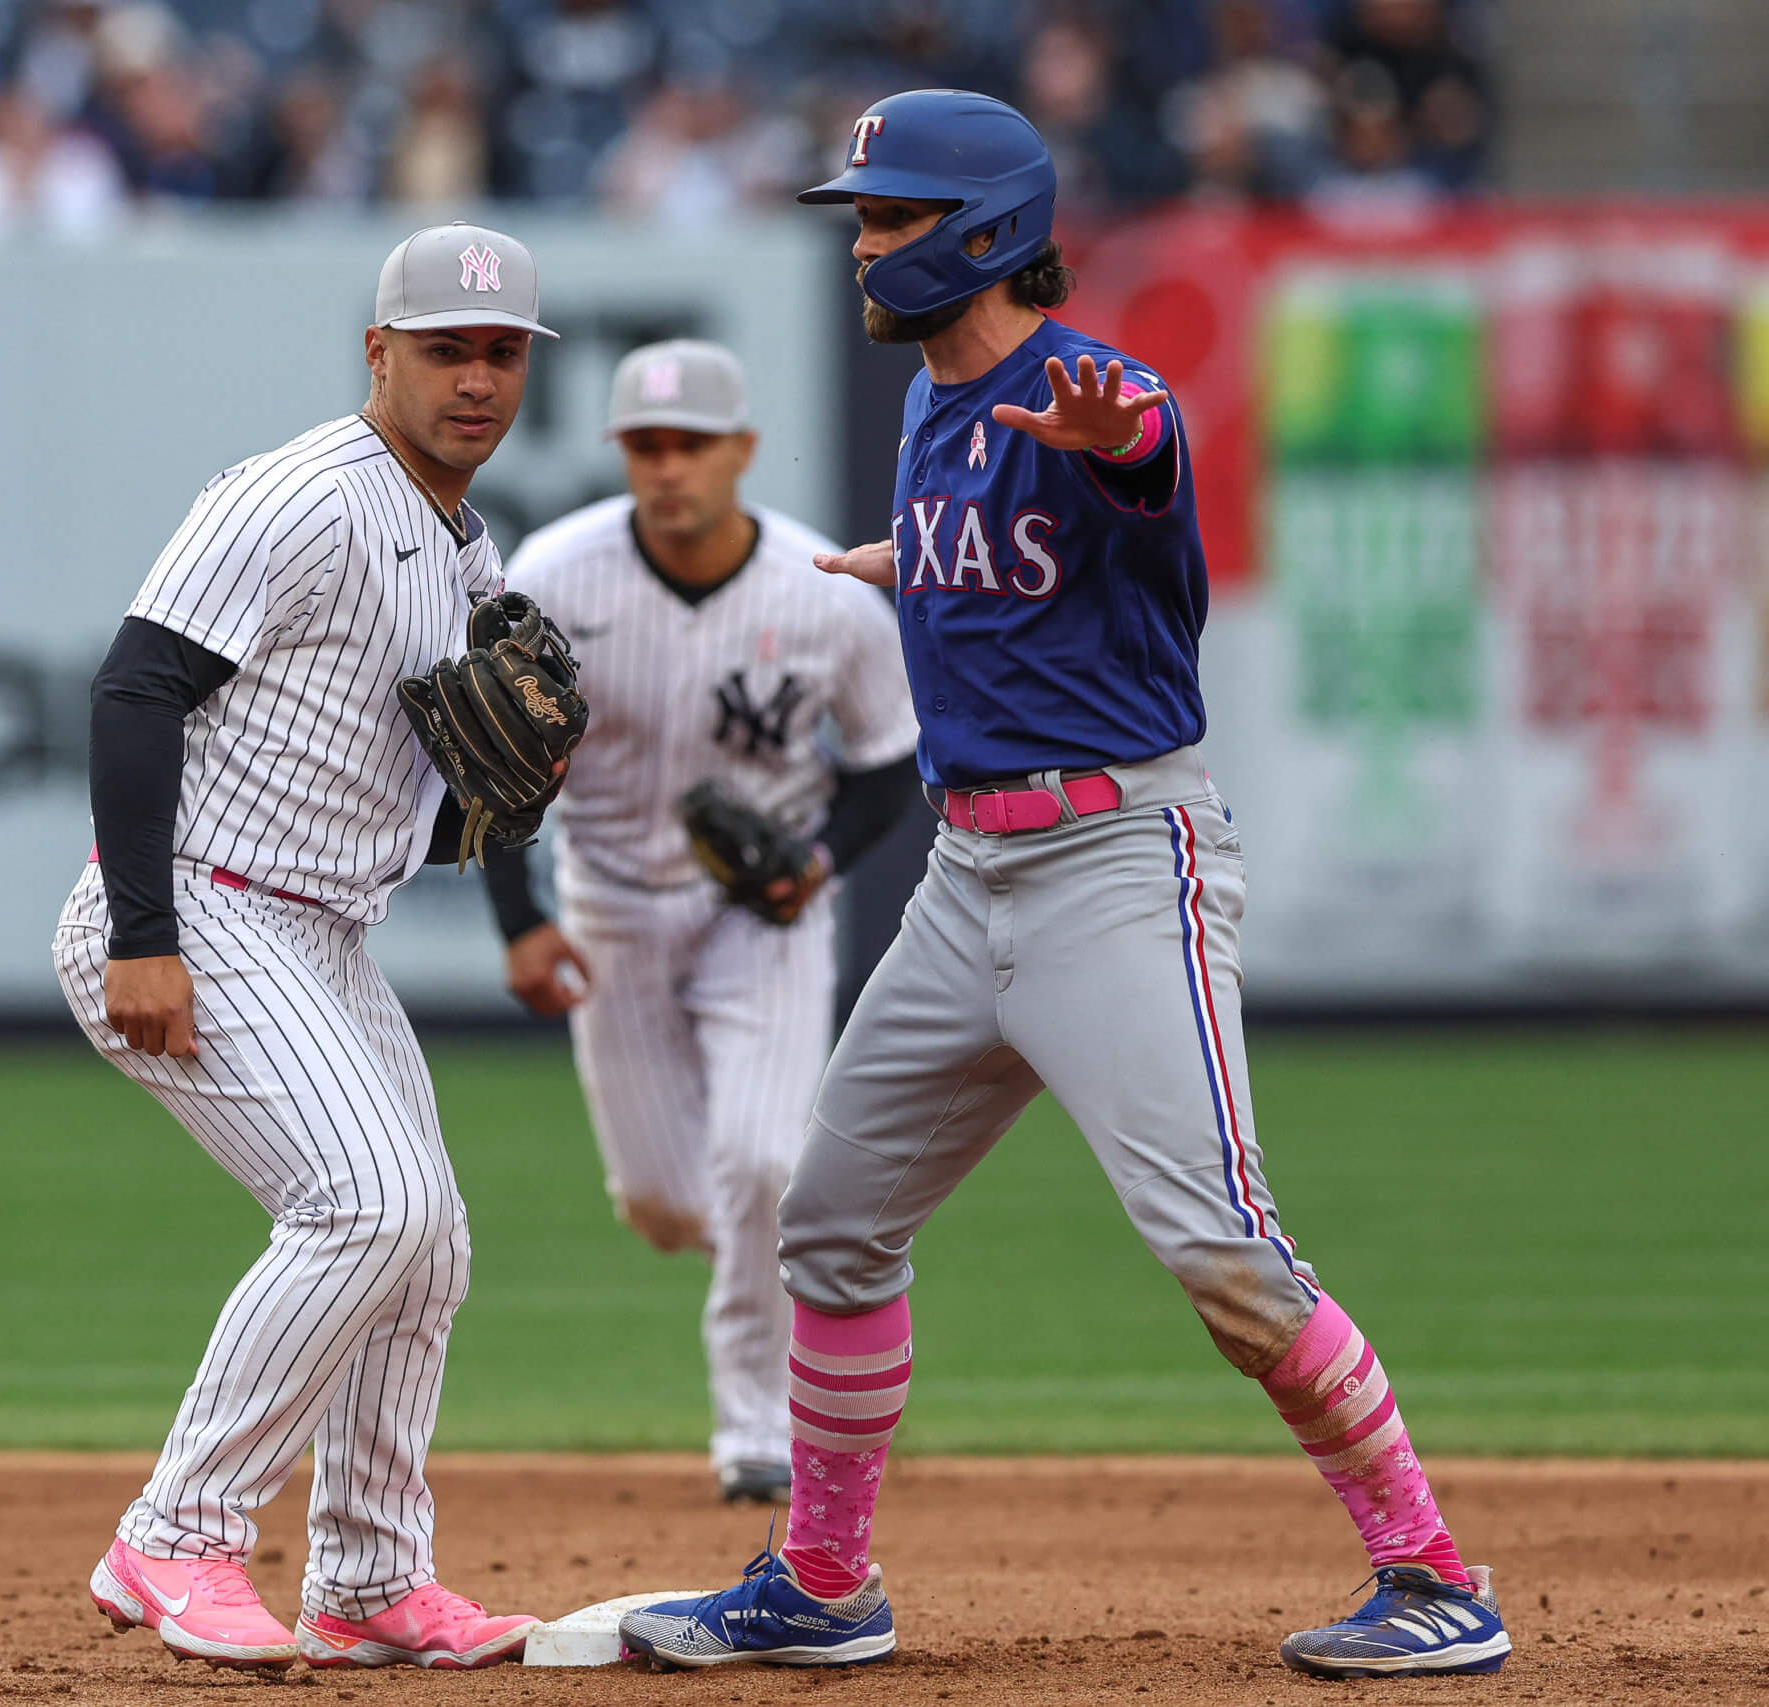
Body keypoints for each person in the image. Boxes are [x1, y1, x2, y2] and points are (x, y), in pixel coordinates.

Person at [618, 90, 1511, 1681]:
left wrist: (1124, 442)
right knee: (828, 1222)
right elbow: (1001, 554)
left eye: (889, 219)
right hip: (969, 877)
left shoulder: (1091, 392)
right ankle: (823, 1582)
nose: (866, 246)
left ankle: (1434, 1570)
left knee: (1221, 1247)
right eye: (862, 219)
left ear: (983, 235)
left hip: (1117, 862)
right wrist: (916, 557)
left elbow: (1137, 452)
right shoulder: (934, 412)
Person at [52, 220, 558, 1675]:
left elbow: (454, 781)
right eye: (447, 348)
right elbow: (135, 693)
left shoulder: (467, 540)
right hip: (198, 907)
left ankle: (369, 1579)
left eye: (501, 352)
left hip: (316, 924)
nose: (476, 378)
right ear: (378, 351)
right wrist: (146, 934)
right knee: (370, 1202)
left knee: (427, 1243)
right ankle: (177, 1529)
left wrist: (506, 809)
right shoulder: (298, 496)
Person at [482, 339, 921, 1506]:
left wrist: (817, 865)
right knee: (669, 1201)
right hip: (612, 904)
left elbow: (885, 768)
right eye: (645, 445)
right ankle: (725, 1259)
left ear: (742, 450)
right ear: (621, 452)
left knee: (766, 1164)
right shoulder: (556, 575)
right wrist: (516, 919)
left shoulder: (817, 590)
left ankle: (756, 1431)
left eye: (690, 444)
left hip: (761, 919)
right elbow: (494, 767)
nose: (667, 468)